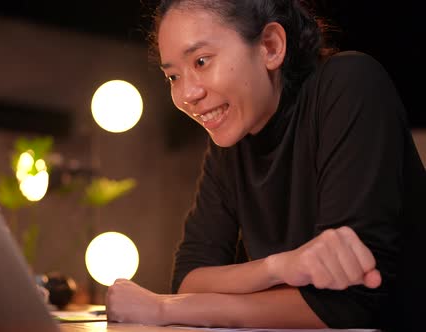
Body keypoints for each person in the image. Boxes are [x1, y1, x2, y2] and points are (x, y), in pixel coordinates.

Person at [105, 0, 425, 330]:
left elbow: (347, 303)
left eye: (201, 61)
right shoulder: (231, 142)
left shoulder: (350, 84)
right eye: (173, 76)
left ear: (270, 47)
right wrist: (278, 267)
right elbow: (190, 278)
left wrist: (167, 311)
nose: (187, 94)